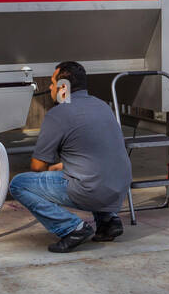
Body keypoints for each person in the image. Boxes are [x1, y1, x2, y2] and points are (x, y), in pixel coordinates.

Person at [8, 61, 131, 253]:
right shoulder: (102, 105)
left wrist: (54, 169)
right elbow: (97, 153)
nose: (50, 87)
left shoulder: (58, 113)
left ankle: (72, 228)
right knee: (92, 174)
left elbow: (37, 166)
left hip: (92, 189)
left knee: (19, 184)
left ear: (63, 87)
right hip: (120, 187)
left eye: (52, 83)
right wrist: (63, 167)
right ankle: (108, 221)